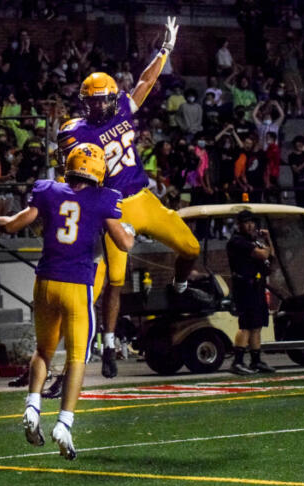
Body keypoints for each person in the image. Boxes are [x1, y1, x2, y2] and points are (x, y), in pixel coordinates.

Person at [58, 17, 207, 380]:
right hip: (114, 206)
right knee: (115, 280)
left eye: (102, 101)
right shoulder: (74, 133)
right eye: (91, 103)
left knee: (190, 248)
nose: (97, 108)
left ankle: (181, 286)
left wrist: (165, 49)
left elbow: (145, 82)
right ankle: (108, 345)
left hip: (144, 199)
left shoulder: (123, 107)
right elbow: (76, 176)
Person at [0, 143, 135, 460]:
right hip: (77, 286)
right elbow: (125, 242)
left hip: (45, 281)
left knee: (43, 350)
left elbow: (12, 224)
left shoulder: (48, 190)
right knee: (77, 356)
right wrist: (126, 228)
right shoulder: (104, 199)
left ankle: (33, 405)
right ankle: (64, 422)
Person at [226, 210, 276, 375]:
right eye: (246, 222)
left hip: (257, 286)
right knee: (246, 325)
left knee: (257, 325)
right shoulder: (237, 241)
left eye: (252, 222)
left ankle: (256, 361)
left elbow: (271, 256)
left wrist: (267, 239)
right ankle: (238, 361)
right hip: (245, 287)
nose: (251, 225)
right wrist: (265, 245)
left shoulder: (254, 241)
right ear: (239, 224)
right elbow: (262, 254)